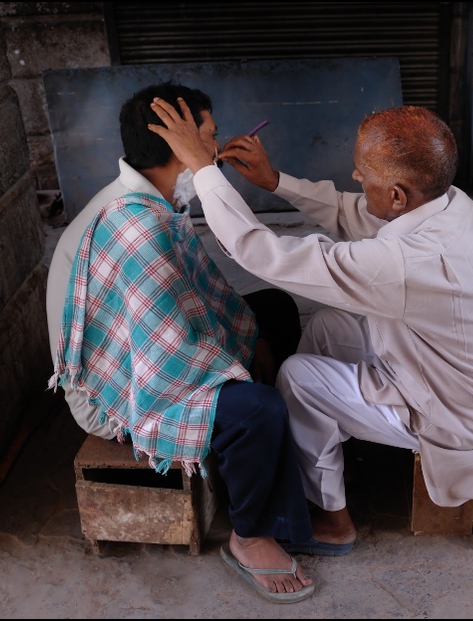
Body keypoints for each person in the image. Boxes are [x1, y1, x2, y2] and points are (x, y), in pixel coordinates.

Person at [147, 98, 473, 556]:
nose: (357, 179)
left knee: (297, 379)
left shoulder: (407, 262)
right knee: (325, 328)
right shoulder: (450, 202)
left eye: (363, 174)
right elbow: (359, 213)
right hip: (440, 366)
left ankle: (335, 523)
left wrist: (204, 168)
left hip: (447, 410)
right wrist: (274, 182)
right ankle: (325, 451)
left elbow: (261, 253)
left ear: (398, 194)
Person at [46, 81, 316, 603]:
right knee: (258, 407)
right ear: (177, 144)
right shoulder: (134, 224)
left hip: (148, 352)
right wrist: (237, 365)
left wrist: (247, 337)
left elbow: (193, 302)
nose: (215, 149)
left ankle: (251, 456)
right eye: (209, 137)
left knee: (275, 311)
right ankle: (249, 534)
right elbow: (164, 355)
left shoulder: (152, 199)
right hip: (115, 391)